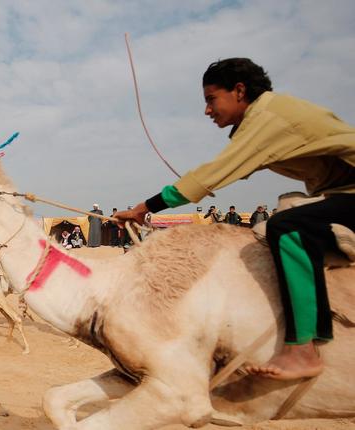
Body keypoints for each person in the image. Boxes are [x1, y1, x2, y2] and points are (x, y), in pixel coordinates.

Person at [114, 58, 355, 381]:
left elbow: (211, 175)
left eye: (211, 99)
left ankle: (302, 350)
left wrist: (146, 207)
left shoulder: (267, 119)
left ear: (239, 91)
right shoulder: (263, 123)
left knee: (286, 228)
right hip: (341, 195)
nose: (207, 110)